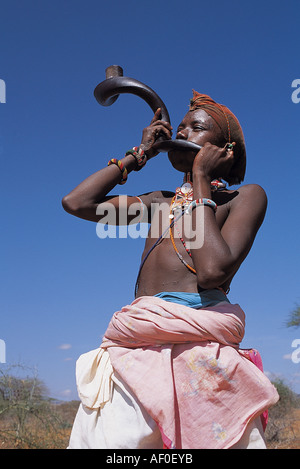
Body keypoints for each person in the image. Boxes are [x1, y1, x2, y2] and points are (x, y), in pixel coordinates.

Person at [62, 90, 279, 449]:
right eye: (180, 127)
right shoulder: (158, 203)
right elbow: (78, 203)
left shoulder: (245, 198)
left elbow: (212, 272)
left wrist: (200, 181)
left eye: (195, 127)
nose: (182, 134)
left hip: (202, 348)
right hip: (135, 348)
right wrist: (139, 153)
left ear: (225, 151)